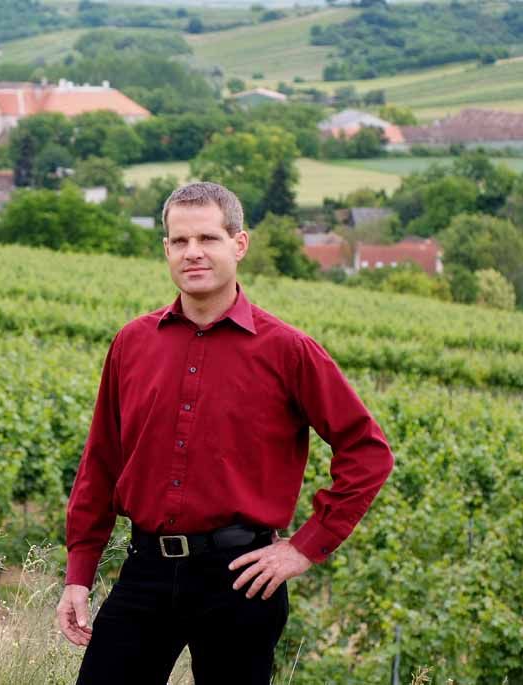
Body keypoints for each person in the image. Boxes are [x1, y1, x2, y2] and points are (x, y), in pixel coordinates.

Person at [56, 182, 394, 684]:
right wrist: (79, 575)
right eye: (179, 241)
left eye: (208, 238)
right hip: (145, 570)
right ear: (166, 249)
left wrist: (304, 547)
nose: (192, 252)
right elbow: (100, 462)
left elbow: (367, 452)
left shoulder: (289, 351)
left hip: (242, 579)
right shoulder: (132, 342)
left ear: (239, 244)